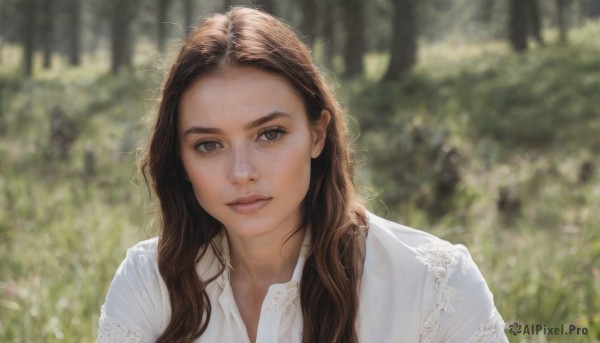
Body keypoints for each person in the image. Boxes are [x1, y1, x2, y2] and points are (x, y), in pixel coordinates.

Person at [97, 6, 508, 343]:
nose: (242, 173)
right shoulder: (149, 283)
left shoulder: (434, 286)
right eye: (209, 144)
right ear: (181, 160)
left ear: (317, 134)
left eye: (269, 134)